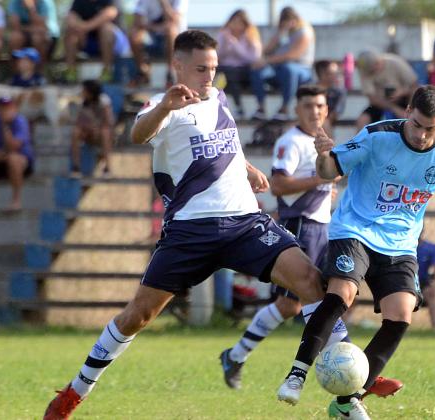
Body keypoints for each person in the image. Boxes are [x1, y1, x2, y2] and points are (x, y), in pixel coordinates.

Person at [42, 30, 355, 420]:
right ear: (177, 66)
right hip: (191, 230)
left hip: (243, 221)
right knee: (137, 315)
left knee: (310, 281)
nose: (210, 76)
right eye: (201, 68)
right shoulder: (162, 104)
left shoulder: (219, 98)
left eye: (214, 68)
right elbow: (137, 134)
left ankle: (352, 391)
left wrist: (249, 168)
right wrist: (164, 109)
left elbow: (224, 143)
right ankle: (75, 391)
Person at [276, 85, 435, 419]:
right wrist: (323, 156)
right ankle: (297, 373)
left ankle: (348, 400)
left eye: (430, 129)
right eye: (417, 124)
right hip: (355, 229)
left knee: (401, 316)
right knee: (340, 296)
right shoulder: (377, 136)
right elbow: (328, 171)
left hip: (401, 243)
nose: (421, 135)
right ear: (408, 111)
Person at [219, 84, 402, 397]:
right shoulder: (290, 142)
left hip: (323, 227)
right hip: (300, 226)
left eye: (319, 106)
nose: (314, 111)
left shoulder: (323, 142)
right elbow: (278, 184)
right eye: (307, 106)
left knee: (300, 303)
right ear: (296, 110)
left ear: (327, 110)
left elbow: (330, 176)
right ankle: (357, 372)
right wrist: (322, 179)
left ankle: (235, 355)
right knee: (314, 298)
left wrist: (328, 181)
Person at [250, 6, 314, 121]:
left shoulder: (305, 31)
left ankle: (284, 109)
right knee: (257, 70)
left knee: (289, 69)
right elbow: (266, 51)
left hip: (300, 69)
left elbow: (293, 55)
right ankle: (261, 108)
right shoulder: (283, 33)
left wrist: (267, 60)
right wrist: (279, 35)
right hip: (278, 68)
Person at [355, 50, 418, 129]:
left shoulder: (396, 62)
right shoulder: (364, 71)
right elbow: (372, 98)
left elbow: (414, 86)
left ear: (378, 62)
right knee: (362, 120)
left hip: (405, 100)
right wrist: (395, 109)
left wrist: (402, 93)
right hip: (381, 104)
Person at [129, 0, 188, 85]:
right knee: (134, 34)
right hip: (153, 37)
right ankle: (143, 71)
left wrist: (163, 3)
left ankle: (171, 73)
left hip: (177, 42)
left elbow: (174, 20)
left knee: (171, 31)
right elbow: (137, 21)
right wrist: (157, 28)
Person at [216, 9, 261, 119]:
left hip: (244, 70)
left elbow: (254, 58)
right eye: (234, 22)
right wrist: (226, 45)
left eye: (239, 23)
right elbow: (218, 56)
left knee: (230, 75)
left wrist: (235, 45)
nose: (236, 26)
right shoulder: (223, 34)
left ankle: (238, 107)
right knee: (223, 74)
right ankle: (236, 107)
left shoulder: (251, 35)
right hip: (225, 70)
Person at [63, 0, 119, 82]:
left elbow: (110, 14)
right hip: (86, 42)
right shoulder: (78, 2)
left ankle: (107, 71)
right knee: (71, 32)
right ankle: (71, 72)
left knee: (106, 29)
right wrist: (79, 27)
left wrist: (86, 27)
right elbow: (71, 17)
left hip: (112, 43)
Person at [70, 80, 114, 176]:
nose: (82, 92)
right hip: (88, 132)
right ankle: (76, 167)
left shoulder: (104, 100)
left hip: (100, 133)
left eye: (84, 90)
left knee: (105, 132)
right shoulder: (82, 101)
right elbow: (78, 121)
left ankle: (107, 167)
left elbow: (109, 121)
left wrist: (96, 127)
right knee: (75, 131)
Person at [417, 235, 435, 330]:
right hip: (407, 281)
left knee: (432, 295)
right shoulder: (403, 247)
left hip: (423, 282)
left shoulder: (430, 248)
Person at [314, 59, 346, 131]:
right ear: (322, 74)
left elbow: (336, 113)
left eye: (336, 73)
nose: (336, 76)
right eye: (332, 73)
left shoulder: (339, 92)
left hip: (325, 124)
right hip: (310, 121)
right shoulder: (309, 91)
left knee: (325, 123)